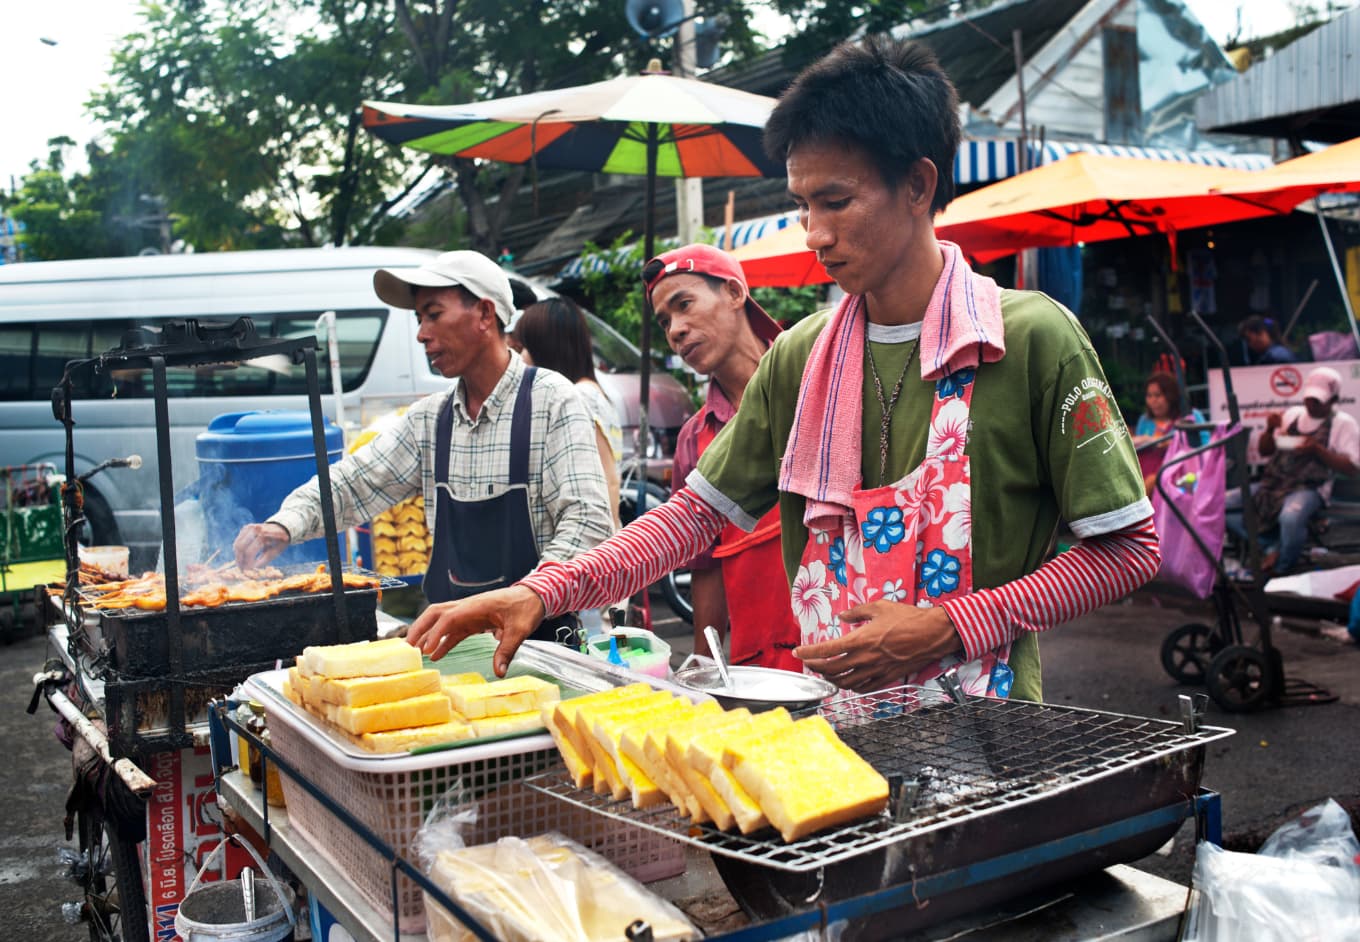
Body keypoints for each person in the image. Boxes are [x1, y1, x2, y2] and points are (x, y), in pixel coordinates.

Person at [405, 36, 1159, 701]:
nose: (815, 235)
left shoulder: (1027, 340)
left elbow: (1128, 547)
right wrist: (543, 592)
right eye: (802, 205)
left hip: (993, 729)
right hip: (828, 725)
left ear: (919, 185)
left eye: (837, 201)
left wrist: (948, 625)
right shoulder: (802, 356)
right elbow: (696, 517)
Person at [233, 251, 614, 640]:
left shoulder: (552, 401)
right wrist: (285, 524)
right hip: (452, 646)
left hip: (537, 644)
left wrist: (528, 596)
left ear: (484, 314)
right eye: (419, 318)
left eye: (433, 314)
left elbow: (588, 520)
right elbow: (354, 482)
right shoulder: (431, 420)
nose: (421, 333)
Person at [657, 243, 803, 670]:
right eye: (664, 321)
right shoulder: (693, 440)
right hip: (760, 671)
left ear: (736, 293)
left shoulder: (817, 381)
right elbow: (705, 569)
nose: (676, 330)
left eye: (684, 305)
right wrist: (706, 666)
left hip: (849, 652)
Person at [1226, 367, 1360, 574]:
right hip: (1273, 484)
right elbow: (1265, 450)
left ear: (1333, 400)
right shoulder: (1293, 415)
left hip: (1309, 489)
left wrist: (1317, 450)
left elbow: (1352, 467)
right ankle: (1270, 545)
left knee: (1290, 517)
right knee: (1219, 504)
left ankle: (1282, 569)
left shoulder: (1343, 424)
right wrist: (1270, 429)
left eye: (1318, 400)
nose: (1311, 405)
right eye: (1309, 399)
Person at [512, 297, 624, 530]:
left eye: (525, 348)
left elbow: (608, 482)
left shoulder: (579, 397)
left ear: (546, 348)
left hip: (596, 547)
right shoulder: (593, 392)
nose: (520, 357)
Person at [1132, 371, 1205, 494]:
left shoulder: (1190, 417)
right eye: (1149, 396)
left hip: (1179, 473)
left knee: (1152, 481)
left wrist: (1171, 444)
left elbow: (1204, 447)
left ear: (1170, 396)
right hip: (1145, 473)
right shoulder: (1144, 420)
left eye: (1158, 395)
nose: (1152, 401)